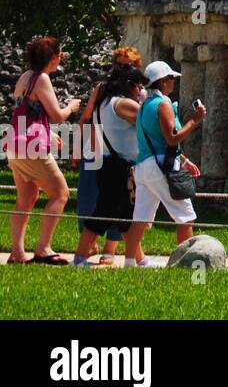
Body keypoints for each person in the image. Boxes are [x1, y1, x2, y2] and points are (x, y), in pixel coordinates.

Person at [6, 36, 82, 264]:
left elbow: (26, 112)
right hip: (32, 148)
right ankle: (43, 249)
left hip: (15, 144)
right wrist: (71, 107)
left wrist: (47, 132)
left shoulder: (25, 78)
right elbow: (57, 115)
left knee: (26, 197)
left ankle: (17, 253)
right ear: (52, 57)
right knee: (60, 193)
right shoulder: (42, 79)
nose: (61, 58)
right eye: (60, 54)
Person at [123, 61, 205, 266]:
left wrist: (183, 160)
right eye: (170, 78)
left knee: (140, 218)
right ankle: (184, 264)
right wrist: (194, 121)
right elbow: (172, 138)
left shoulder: (144, 106)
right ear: (163, 82)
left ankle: (129, 263)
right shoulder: (163, 104)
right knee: (186, 216)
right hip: (160, 166)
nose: (173, 82)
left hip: (143, 166)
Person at [75, 46, 143, 264]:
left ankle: (130, 257)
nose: (123, 69)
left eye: (128, 65)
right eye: (121, 65)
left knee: (123, 214)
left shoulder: (131, 94)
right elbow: (86, 119)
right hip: (108, 157)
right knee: (100, 207)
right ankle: (81, 256)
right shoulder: (111, 94)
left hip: (116, 159)